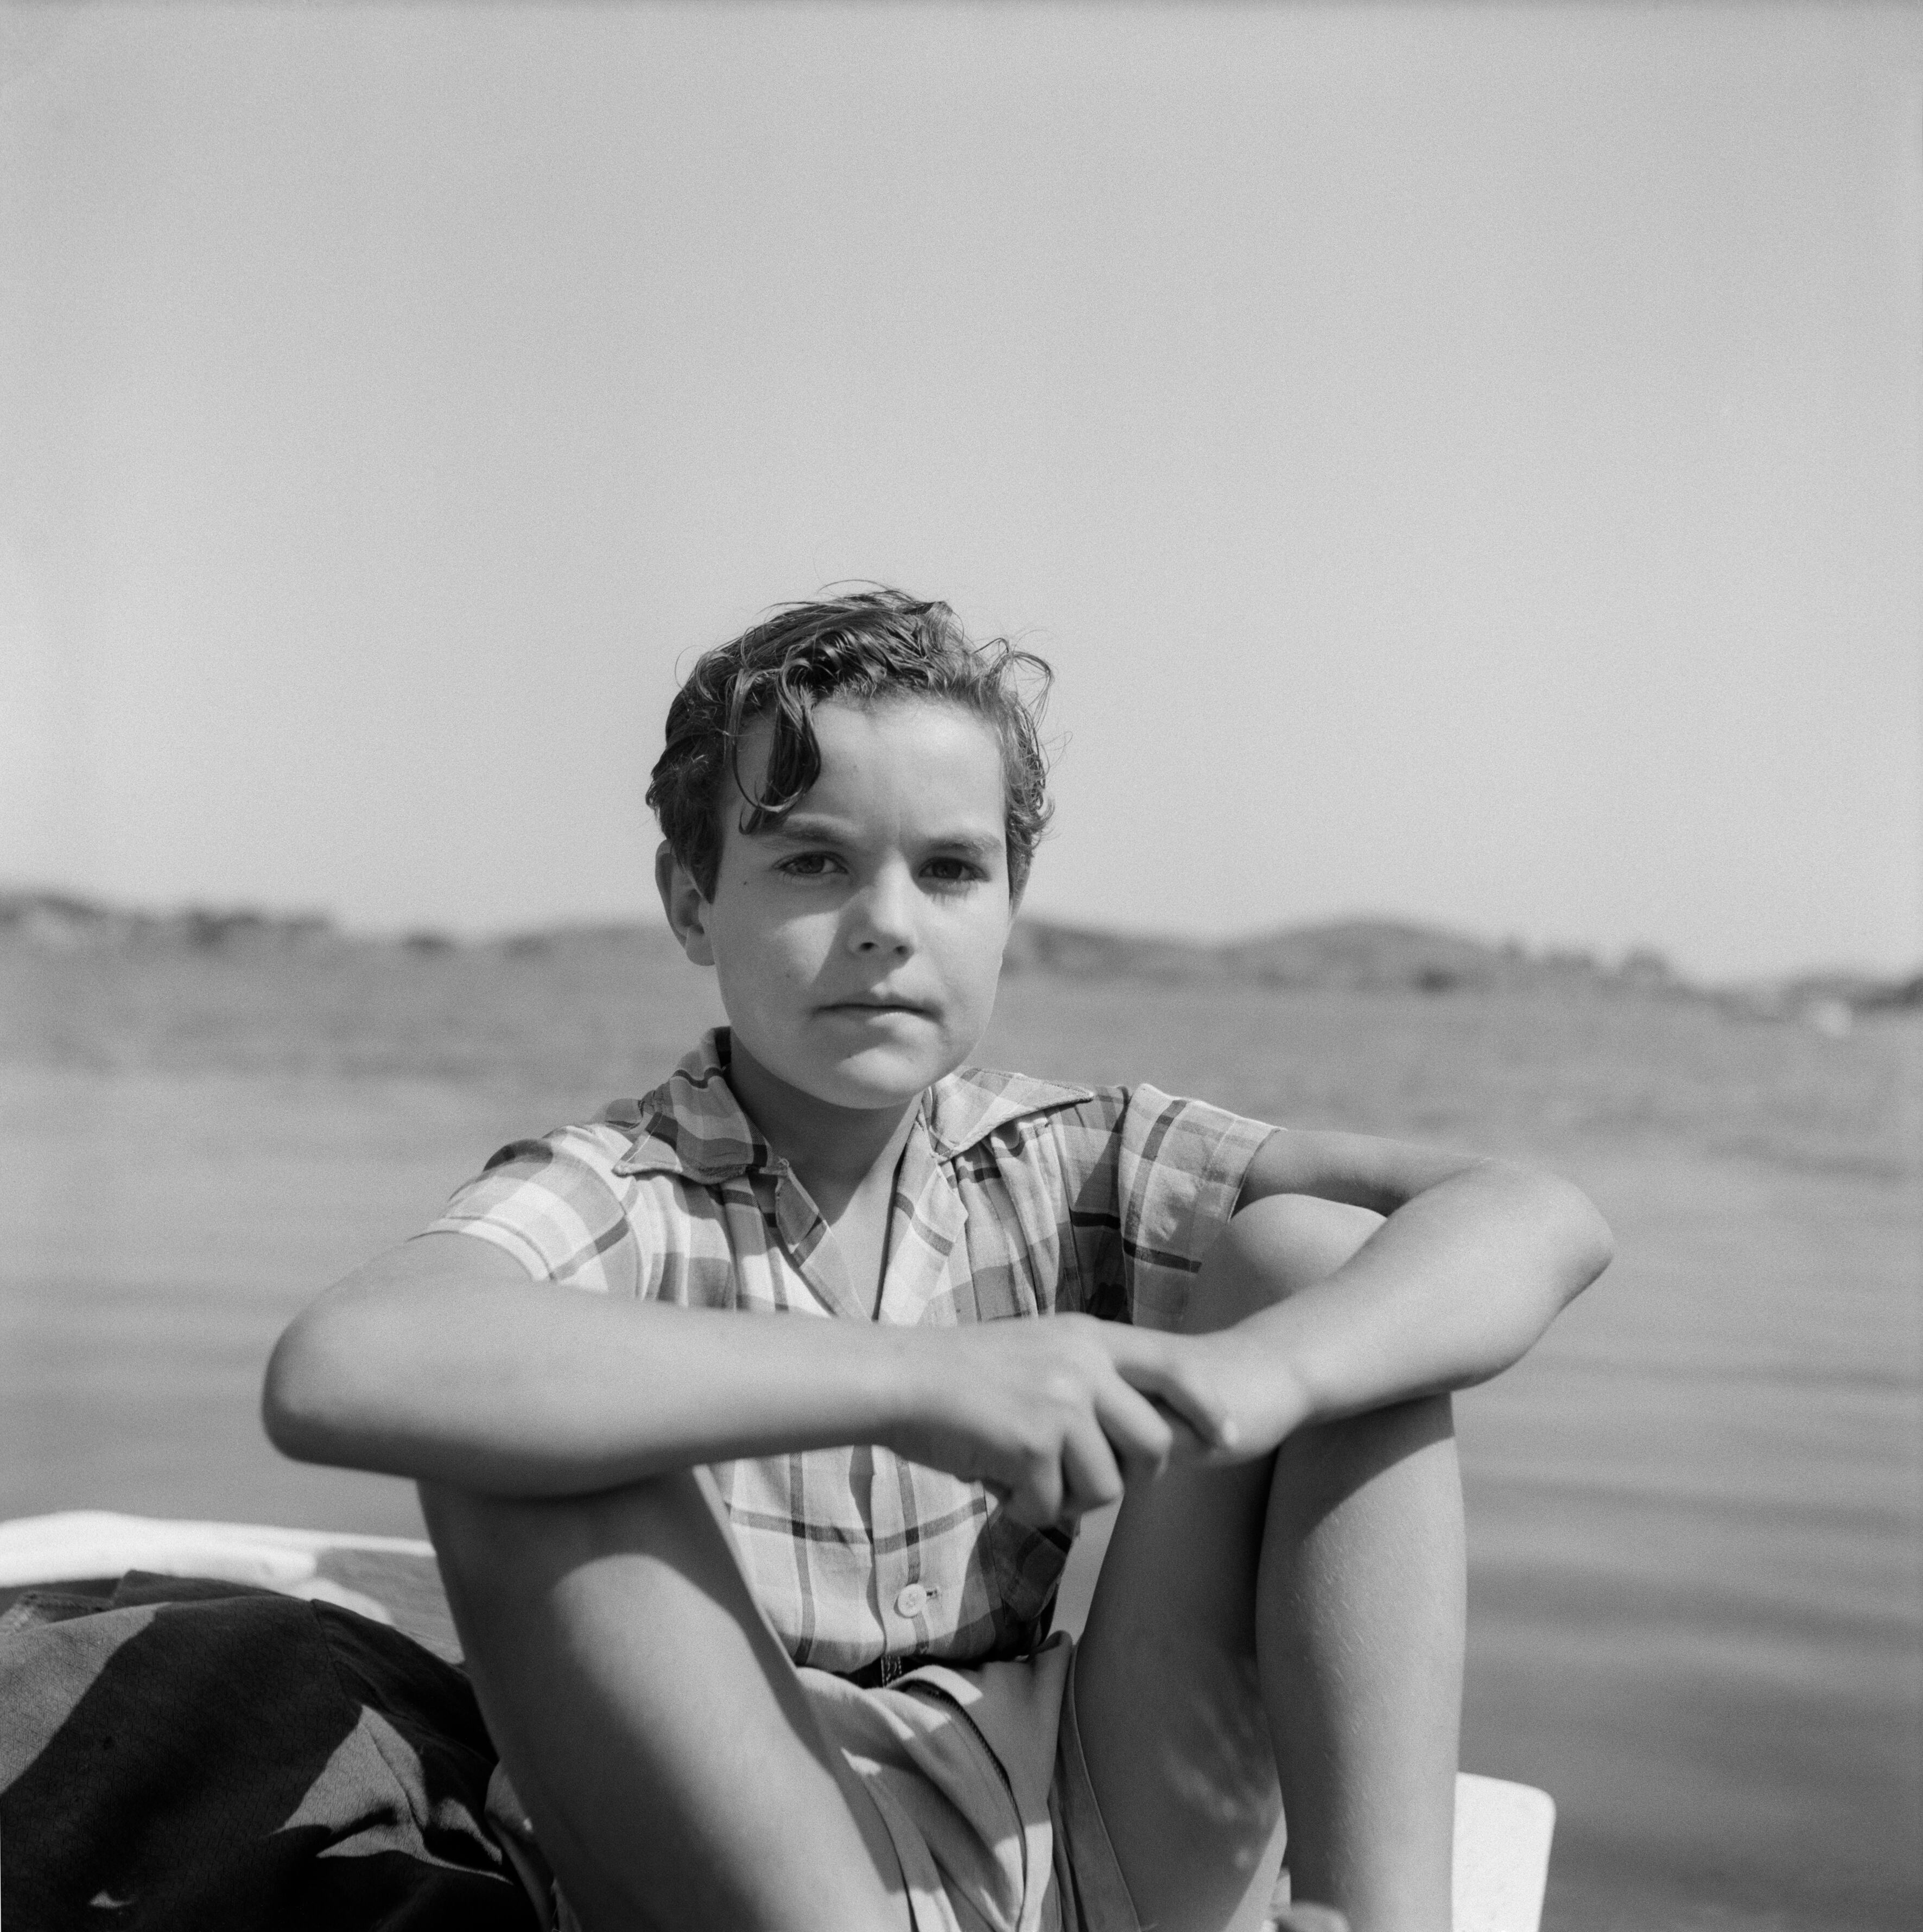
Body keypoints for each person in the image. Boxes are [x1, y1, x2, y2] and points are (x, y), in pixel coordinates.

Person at [263, 589, 1613, 1932]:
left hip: (1074, 1820)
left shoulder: (1059, 1154)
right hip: (758, 1850)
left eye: (949, 870)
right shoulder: (617, 1191)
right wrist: (912, 1380)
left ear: (1010, 903)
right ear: (691, 901)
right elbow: (345, 1365)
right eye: (809, 863)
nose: (885, 923)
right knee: (513, 1427)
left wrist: (1254, 1385)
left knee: (1319, 1259)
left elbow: (1536, 1215)